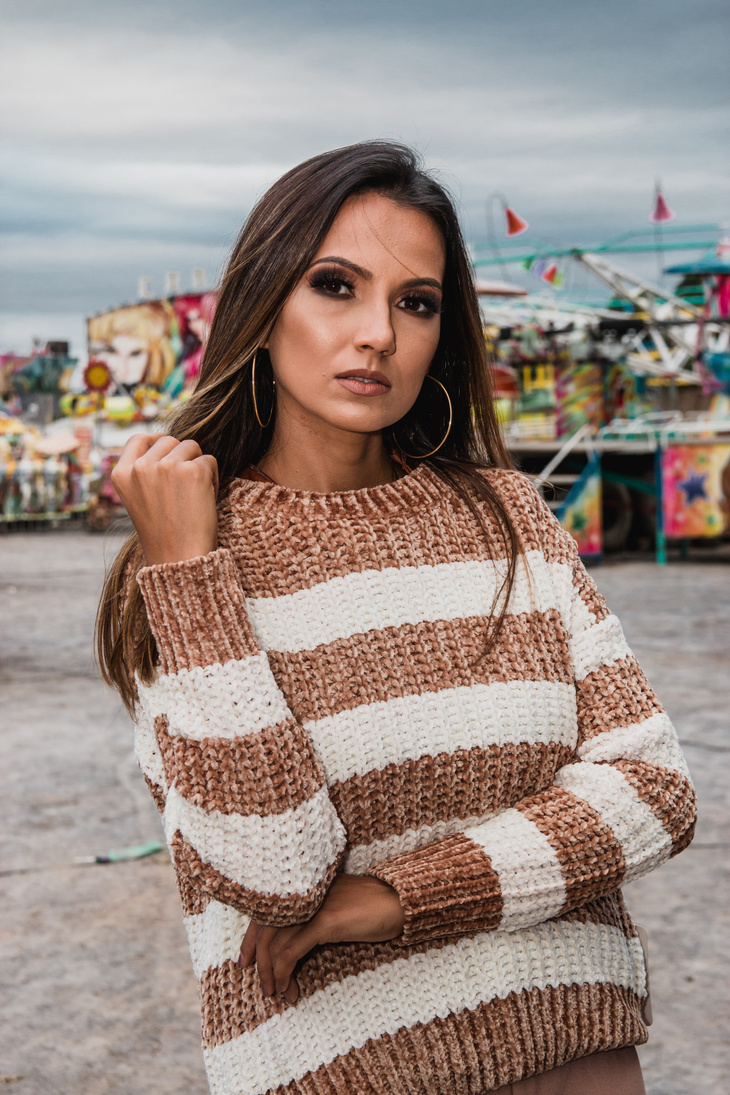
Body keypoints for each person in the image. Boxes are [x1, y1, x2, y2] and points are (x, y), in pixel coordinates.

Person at [96, 141, 696, 1095]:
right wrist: (190, 577)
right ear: (264, 299)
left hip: (582, 1063)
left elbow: (653, 791)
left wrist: (396, 898)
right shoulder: (188, 562)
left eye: (415, 301)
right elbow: (275, 874)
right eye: (336, 285)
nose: (378, 331)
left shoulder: (509, 517)